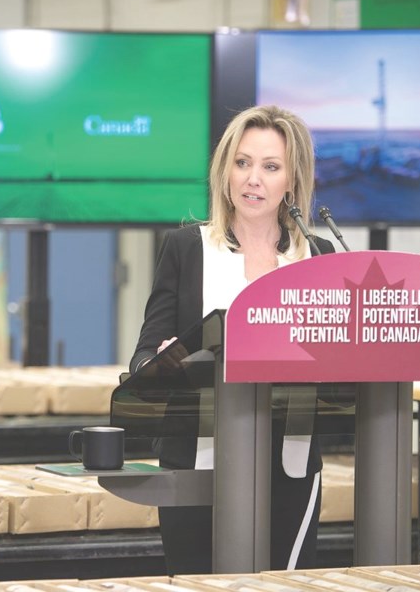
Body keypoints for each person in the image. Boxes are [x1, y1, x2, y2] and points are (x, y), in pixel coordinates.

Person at [130, 104, 335, 574]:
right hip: (194, 462)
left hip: (292, 463)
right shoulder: (186, 248)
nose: (253, 179)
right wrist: (161, 360)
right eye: (241, 163)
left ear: (292, 178)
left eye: (270, 167)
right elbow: (144, 353)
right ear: (224, 172)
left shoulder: (317, 255)